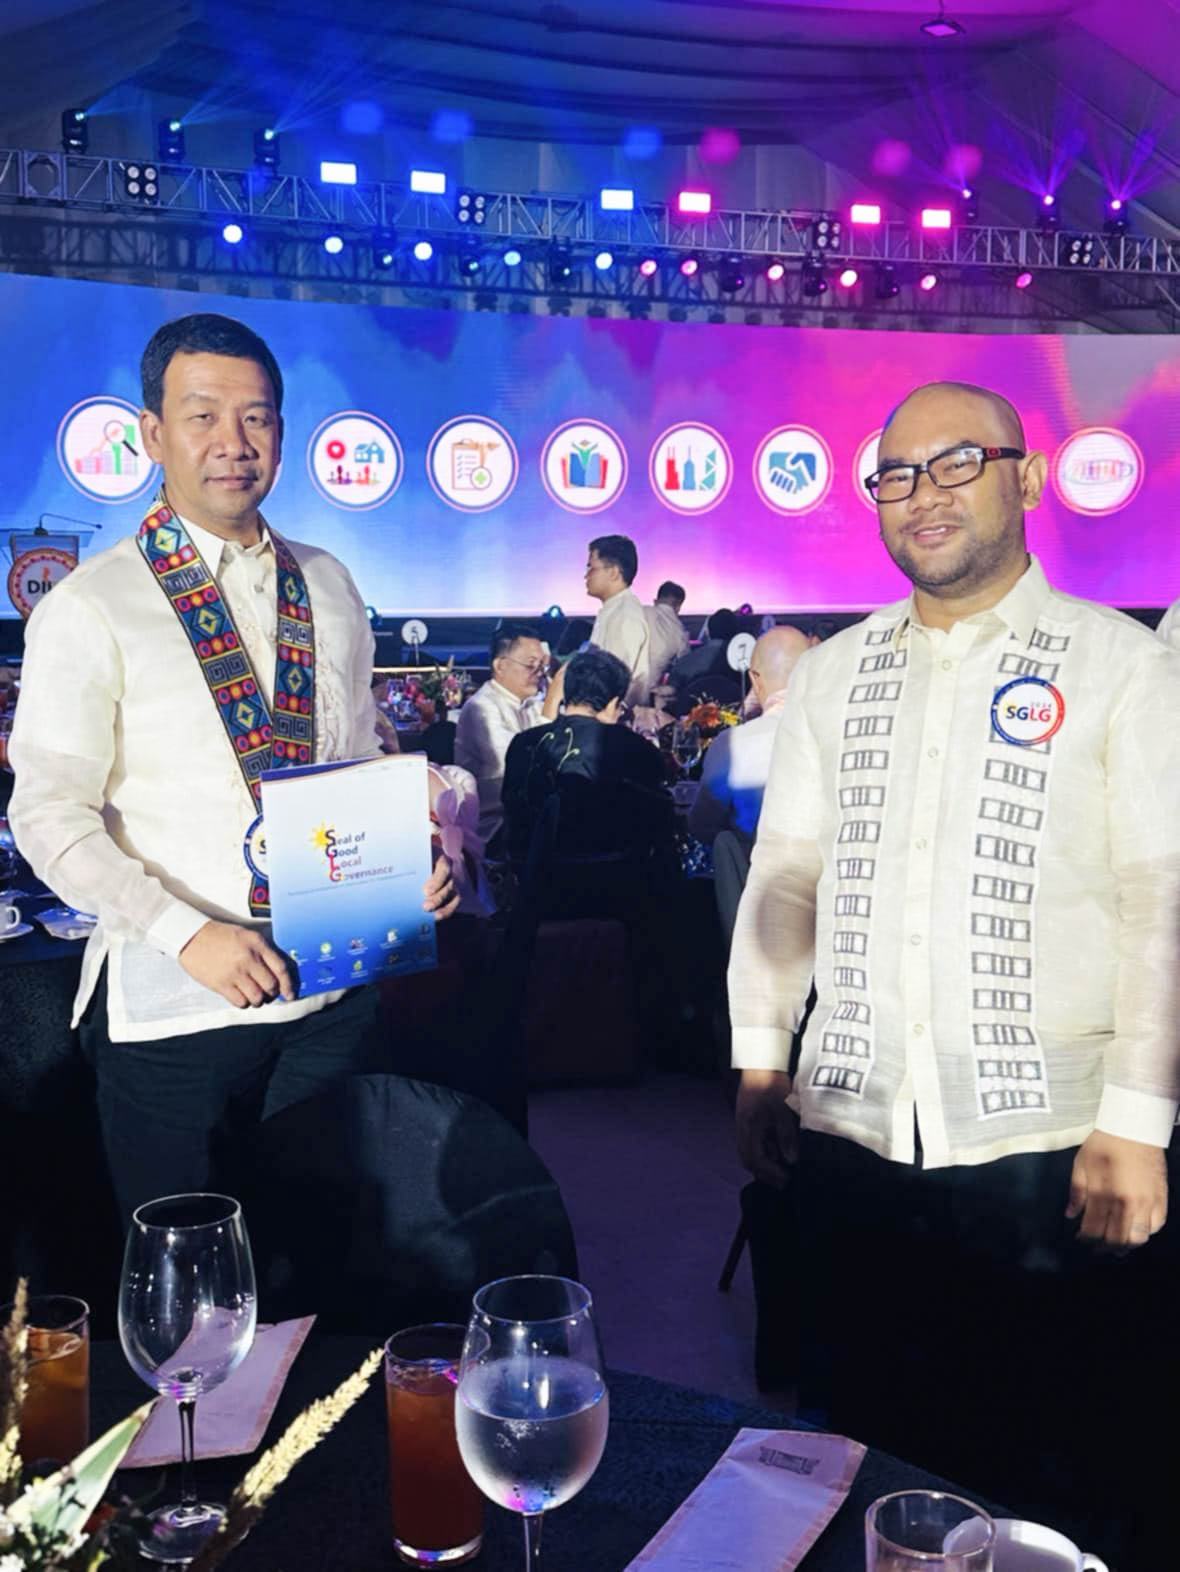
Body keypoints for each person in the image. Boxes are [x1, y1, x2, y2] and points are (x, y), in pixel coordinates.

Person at [728, 380, 1180, 1568]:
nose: (922, 493)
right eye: (896, 473)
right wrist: (761, 1060)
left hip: (1048, 1147)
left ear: (1024, 478)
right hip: (852, 1132)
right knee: (875, 1455)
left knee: (1057, 1472)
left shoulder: (1120, 665)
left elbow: (1162, 898)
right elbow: (786, 876)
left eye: (956, 462)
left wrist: (1136, 1123)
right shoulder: (835, 675)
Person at [8, 312, 457, 1223]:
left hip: (334, 993)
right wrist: (187, 934)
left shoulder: (329, 582)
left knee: (327, 1251)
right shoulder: (93, 603)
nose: (232, 442)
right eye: (202, 415)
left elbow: (357, 756)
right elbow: (48, 816)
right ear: (152, 434)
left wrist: (410, 853)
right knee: (191, 1272)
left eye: (256, 417)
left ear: (281, 434)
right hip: (180, 1008)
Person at [500, 648, 676, 887]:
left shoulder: (523, 743)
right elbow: (659, 818)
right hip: (613, 888)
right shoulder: (634, 747)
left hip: (531, 885)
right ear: (613, 703)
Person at [688, 624, 810, 846]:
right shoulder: (841, 733)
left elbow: (702, 825)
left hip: (752, 865)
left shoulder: (732, 744)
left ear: (754, 679)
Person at [453, 622, 560, 847]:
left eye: (542, 666)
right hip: (495, 829)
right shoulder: (481, 708)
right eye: (531, 665)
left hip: (530, 818)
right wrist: (552, 701)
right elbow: (519, 768)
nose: (539, 673)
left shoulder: (531, 705)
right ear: (500, 665)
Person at [585, 535, 652, 707]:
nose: (586, 576)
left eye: (591, 568)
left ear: (613, 573)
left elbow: (612, 680)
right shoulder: (614, 609)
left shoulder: (625, 615)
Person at [644, 579, 690, 685]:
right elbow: (684, 666)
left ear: (655, 601)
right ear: (678, 607)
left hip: (616, 683)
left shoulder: (638, 611)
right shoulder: (680, 632)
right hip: (648, 689)